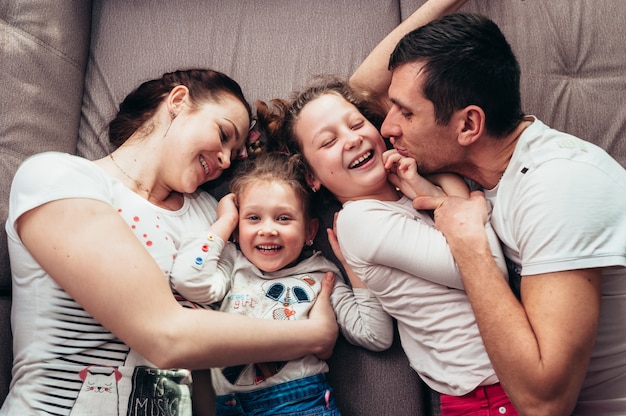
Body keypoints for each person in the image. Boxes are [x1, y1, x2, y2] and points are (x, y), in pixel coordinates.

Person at [1, 68, 340, 416]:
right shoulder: (59, 178)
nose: (224, 160)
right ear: (178, 101)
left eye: (234, 154)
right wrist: (314, 335)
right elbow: (166, 336)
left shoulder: (214, 216)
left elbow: (208, 365)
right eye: (223, 134)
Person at [356, 11, 626, 416]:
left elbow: (544, 405)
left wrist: (468, 245)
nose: (386, 127)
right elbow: (361, 87)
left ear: (468, 124)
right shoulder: (483, 167)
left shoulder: (559, 186)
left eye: (406, 113)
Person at [257, 74, 518, 415]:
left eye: (356, 124)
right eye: (328, 141)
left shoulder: (411, 190)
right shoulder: (360, 220)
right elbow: (488, 271)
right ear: (312, 177)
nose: (351, 140)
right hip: (486, 390)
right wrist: (455, 188)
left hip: (505, 374)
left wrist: (428, 186)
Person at [169, 151, 393, 415]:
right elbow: (187, 281)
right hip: (227, 406)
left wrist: (353, 266)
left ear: (310, 231)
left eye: (283, 218)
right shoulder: (232, 263)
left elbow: (375, 336)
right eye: (253, 218)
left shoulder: (321, 275)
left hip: (299, 402)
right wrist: (225, 221)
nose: (268, 229)